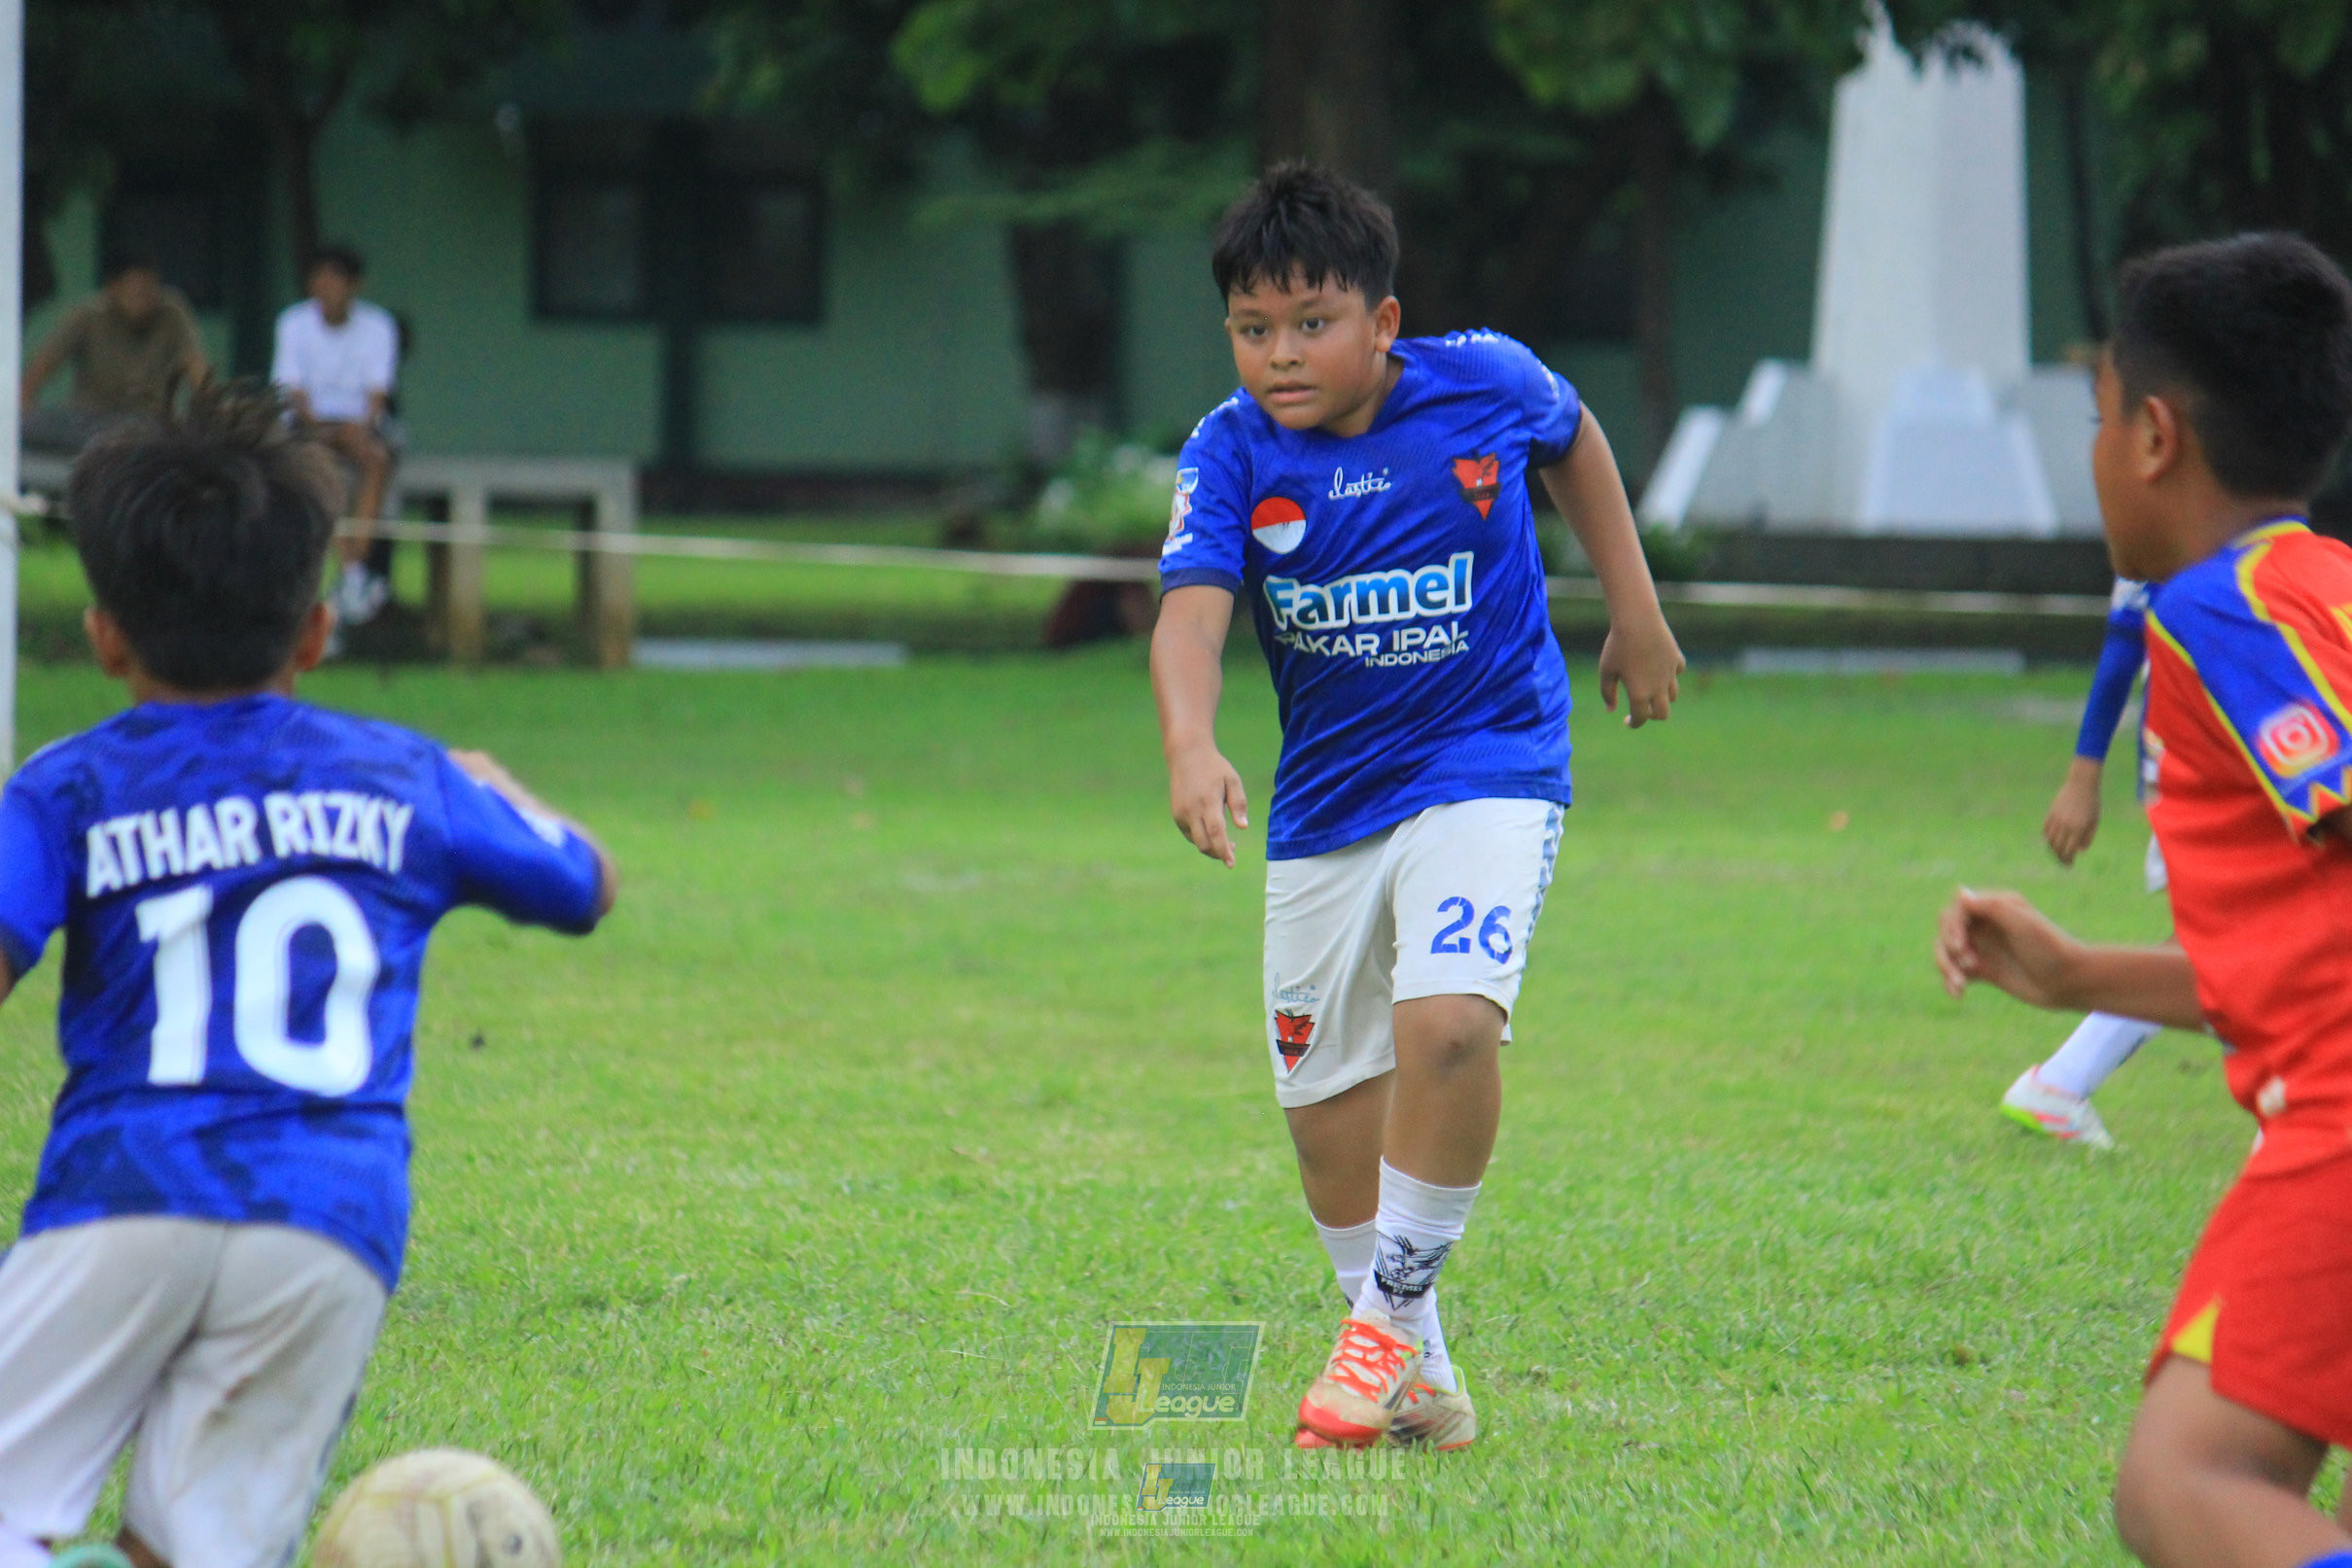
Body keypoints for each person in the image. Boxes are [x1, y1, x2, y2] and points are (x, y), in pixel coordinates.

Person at [0, 384, 616, 1568]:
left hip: (124, 1189)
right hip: (330, 1221)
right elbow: (585, 884)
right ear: (317, 631)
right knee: (189, 1552)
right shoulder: (403, 774)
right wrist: (500, 790)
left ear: (105, 633)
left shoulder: (68, 784)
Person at [1151, 164, 1684, 1452]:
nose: (1278, 355)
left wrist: (1633, 604)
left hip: (1488, 758)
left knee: (1446, 1027)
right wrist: (1189, 741)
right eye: (1250, 328)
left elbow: (1574, 440)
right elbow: (1189, 608)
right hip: (1329, 803)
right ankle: (1418, 1376)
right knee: (1326, 1117)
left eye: (1309, 323)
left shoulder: (1483, 378)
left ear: (1381, 322)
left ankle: (1382, 1324)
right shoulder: (1229, 448)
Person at [1935, 232, 2352, 1568]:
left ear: (2154, 435)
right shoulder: (2320, 589)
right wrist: (2070, 981)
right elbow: (2302, 957)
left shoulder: (2218, 608)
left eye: (2098, 418)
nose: (2095, 449)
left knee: (2183, 1481)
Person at [1998, 576, 2164, 1149]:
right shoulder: (2176, 517)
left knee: (2230, 947)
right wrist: (2082, 777)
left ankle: (2063, 1081)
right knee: (2234, 950)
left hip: (2232, 772)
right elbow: (2125, 640)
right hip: (2208, 776)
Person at [272, 242, 401, 629]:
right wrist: (322, 431)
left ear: (354, 285)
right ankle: (354, 575)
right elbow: (291, 392)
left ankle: (353, 570)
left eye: (335, 280)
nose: (325, 288)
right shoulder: (293, 323)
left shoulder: (378, 326)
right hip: (307, 427)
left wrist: (358, 430)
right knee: (318, 471)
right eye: (319, 279)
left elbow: (378, 393)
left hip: (357, 427)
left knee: (376, 460)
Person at [18, 256, 209, 450]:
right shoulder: (89, 314)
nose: (146, 299)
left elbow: (195, 367)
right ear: (113, 288)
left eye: (151, 290)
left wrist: (212, 409)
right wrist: (22, 404)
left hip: (146, 423)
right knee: (34, 422)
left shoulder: (172, 313)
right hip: (89, 421)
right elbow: (45, 363)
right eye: (137, 292)